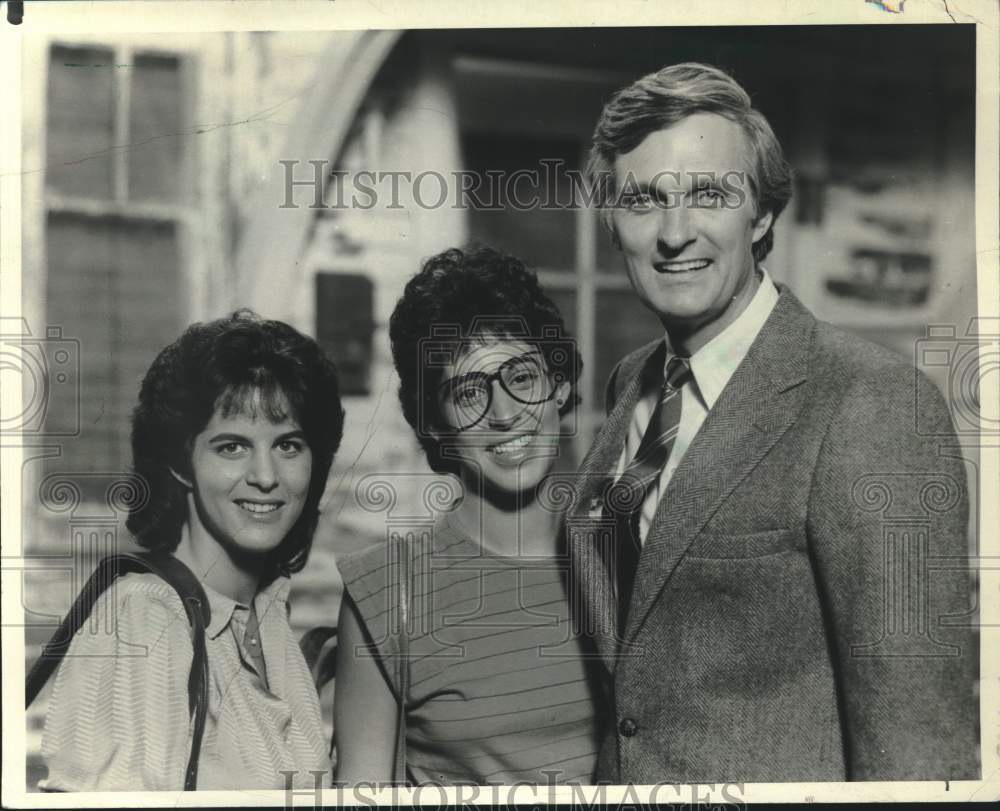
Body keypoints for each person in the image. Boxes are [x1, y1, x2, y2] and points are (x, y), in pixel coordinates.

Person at [568, 62, 979, 782]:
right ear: (612, 223)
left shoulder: (871, 401)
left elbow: (916, 740)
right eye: (641, 201)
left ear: (760, 214)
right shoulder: (633, 382)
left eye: (708, 194)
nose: (674, 233)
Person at [39, 311, 345, 791]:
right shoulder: (146, 619)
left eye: (288, 446)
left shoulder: (266, 620)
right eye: (231, 447)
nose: (266, 476)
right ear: (181, 461)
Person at [334, 247, 604, 785]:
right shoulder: (387, 589)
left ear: (560, 387)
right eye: (468, 393)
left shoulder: (623, 562)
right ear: (435, 426)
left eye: (522, 377)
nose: (504, 415)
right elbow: (360, 794)